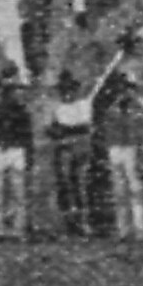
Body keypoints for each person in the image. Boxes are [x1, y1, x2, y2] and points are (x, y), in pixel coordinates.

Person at [98, 52, 143, 240]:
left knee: (135, 188)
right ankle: (123, 228)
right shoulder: (113, 108)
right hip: (116, 148)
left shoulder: (138, 106)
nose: (124, 92)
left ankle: (140, 228)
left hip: (131, 147)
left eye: (127, 88)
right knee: (119, 189)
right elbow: (108, 129)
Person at [0, 80, 35, 236]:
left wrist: (28, 155)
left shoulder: (22, 113)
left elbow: (27, 136)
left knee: (17, 190)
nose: (14, 94)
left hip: (16, 151)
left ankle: (19, 226)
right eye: (10, 91)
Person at [47, 75, 96, 236]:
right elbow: (51, 129)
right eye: (64, 91)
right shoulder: (58, 108)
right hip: (63, 148)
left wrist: (64, 130)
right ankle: (67, 222)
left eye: (70, 90)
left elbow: (84, 126)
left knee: (80, 184)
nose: (67, 94)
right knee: (64, 184)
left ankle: (84, 221)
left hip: (80, 147)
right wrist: (58, 131)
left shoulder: (83, 105)